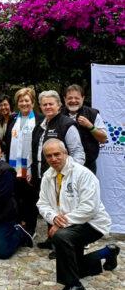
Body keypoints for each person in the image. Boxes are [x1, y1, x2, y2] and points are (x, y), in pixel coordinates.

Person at [37, 139, 118, 290]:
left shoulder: (83, 174)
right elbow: (42, 203)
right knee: (76, 267)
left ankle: (75, 286)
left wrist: (61, 223)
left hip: (92, 223)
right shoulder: (48, 176)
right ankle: (108, 252)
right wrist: (53, 218)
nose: (53, 159)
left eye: (57, 154)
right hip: (70, 223)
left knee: (61, 236)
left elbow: (89, 208)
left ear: (65, 152)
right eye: (49, 156)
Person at [31, 90, 86, 252]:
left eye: (51, 104)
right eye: (44, 104)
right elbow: (33, 151)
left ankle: (61, 244)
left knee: (62, 208)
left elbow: (78, 152)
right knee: (49, 206)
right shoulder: (40, 126)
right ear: (40, 106)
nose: (48, 107)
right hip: (43, 174)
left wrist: (72, 173)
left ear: (59, 106)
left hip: (62, 176)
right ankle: (52, 238)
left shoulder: (66, 124)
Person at [3, 88, 44, 236]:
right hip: (14, 167)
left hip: (30, 167)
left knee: (30, 198)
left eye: (27, 100)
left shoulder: (40, 119)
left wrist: (33, 169)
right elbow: (8, 142)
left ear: (33, 102)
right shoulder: (13, 119)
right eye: (21, 101)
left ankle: (31, 227)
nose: (24, 103)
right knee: (16, 198)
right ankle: (18, 225)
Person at [62, 84, 107, 174]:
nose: (73, 101)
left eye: (77, 98)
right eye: (70, 98)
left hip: (88, 165)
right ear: (64, 99)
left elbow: (103, 139)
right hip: (63, 164)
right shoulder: (59, 115)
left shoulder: (92, 114)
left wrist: (91, 127)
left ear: (83, 98)